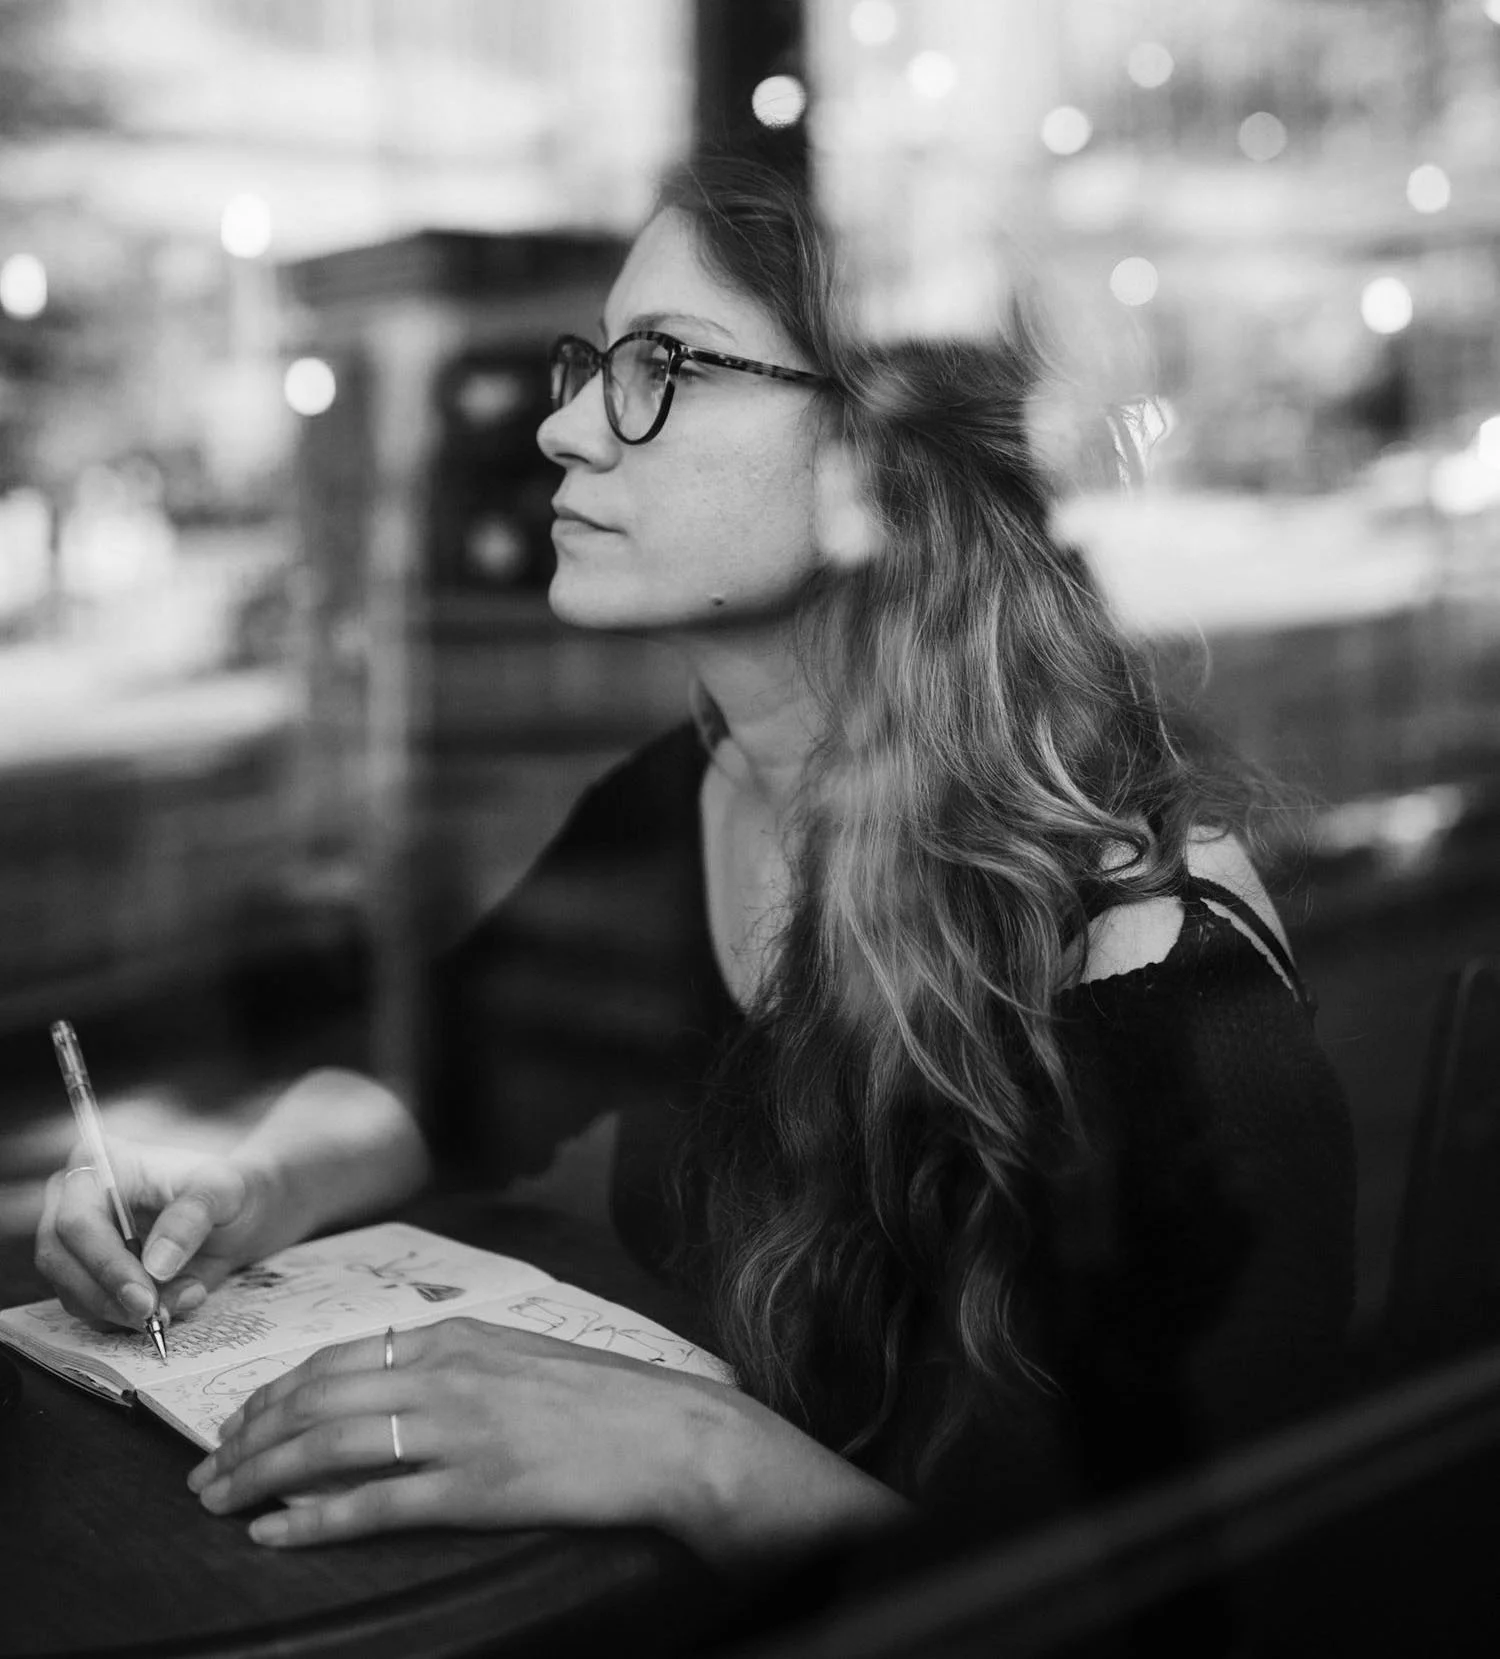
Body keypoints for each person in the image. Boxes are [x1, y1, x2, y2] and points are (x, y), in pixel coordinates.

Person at [33, 150, 1355, 1568]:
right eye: (594, 359)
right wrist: (245, 1184)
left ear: (882, 458)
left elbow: (1171, 1609)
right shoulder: (695, 795)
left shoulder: (1157, 977)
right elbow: (459, 1068)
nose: (566, 430)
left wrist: (697, 1451)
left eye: (665, 362)